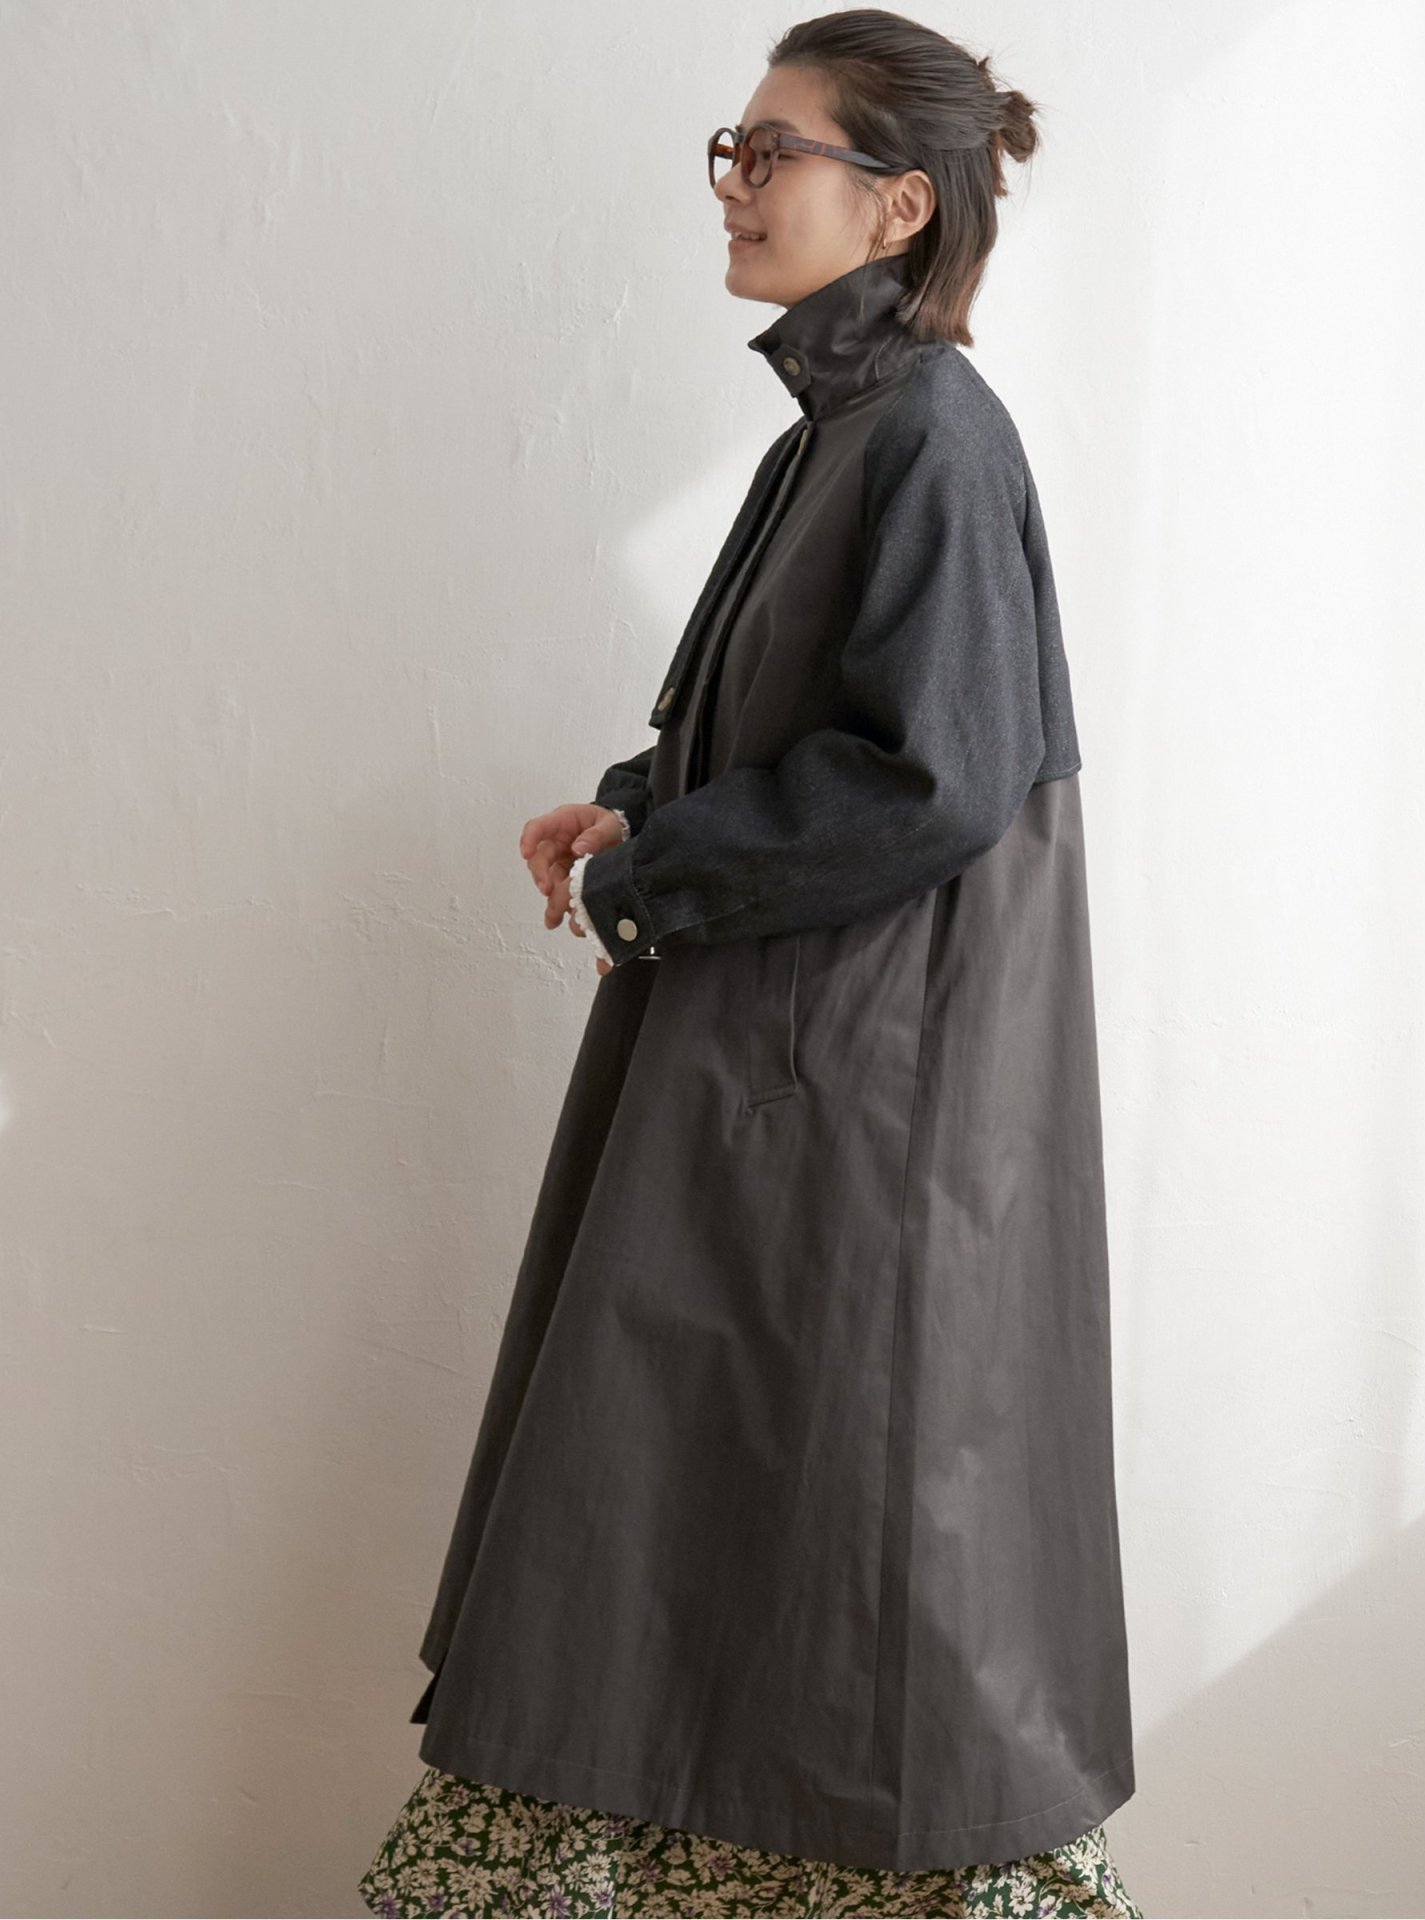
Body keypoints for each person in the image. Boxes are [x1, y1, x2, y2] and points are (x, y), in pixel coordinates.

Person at [360, 12, 1141, 1917]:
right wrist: (640, 812)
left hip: (853, 1107)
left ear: (898, 204)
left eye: (772, 149)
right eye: (736, 145)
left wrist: (671, 870)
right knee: (685, 1518)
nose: (736, 180)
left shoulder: (929, 436)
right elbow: (812, 730)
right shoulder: (847, 431)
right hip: (788, 1071)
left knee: (839, 1552)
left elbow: (936, 776)